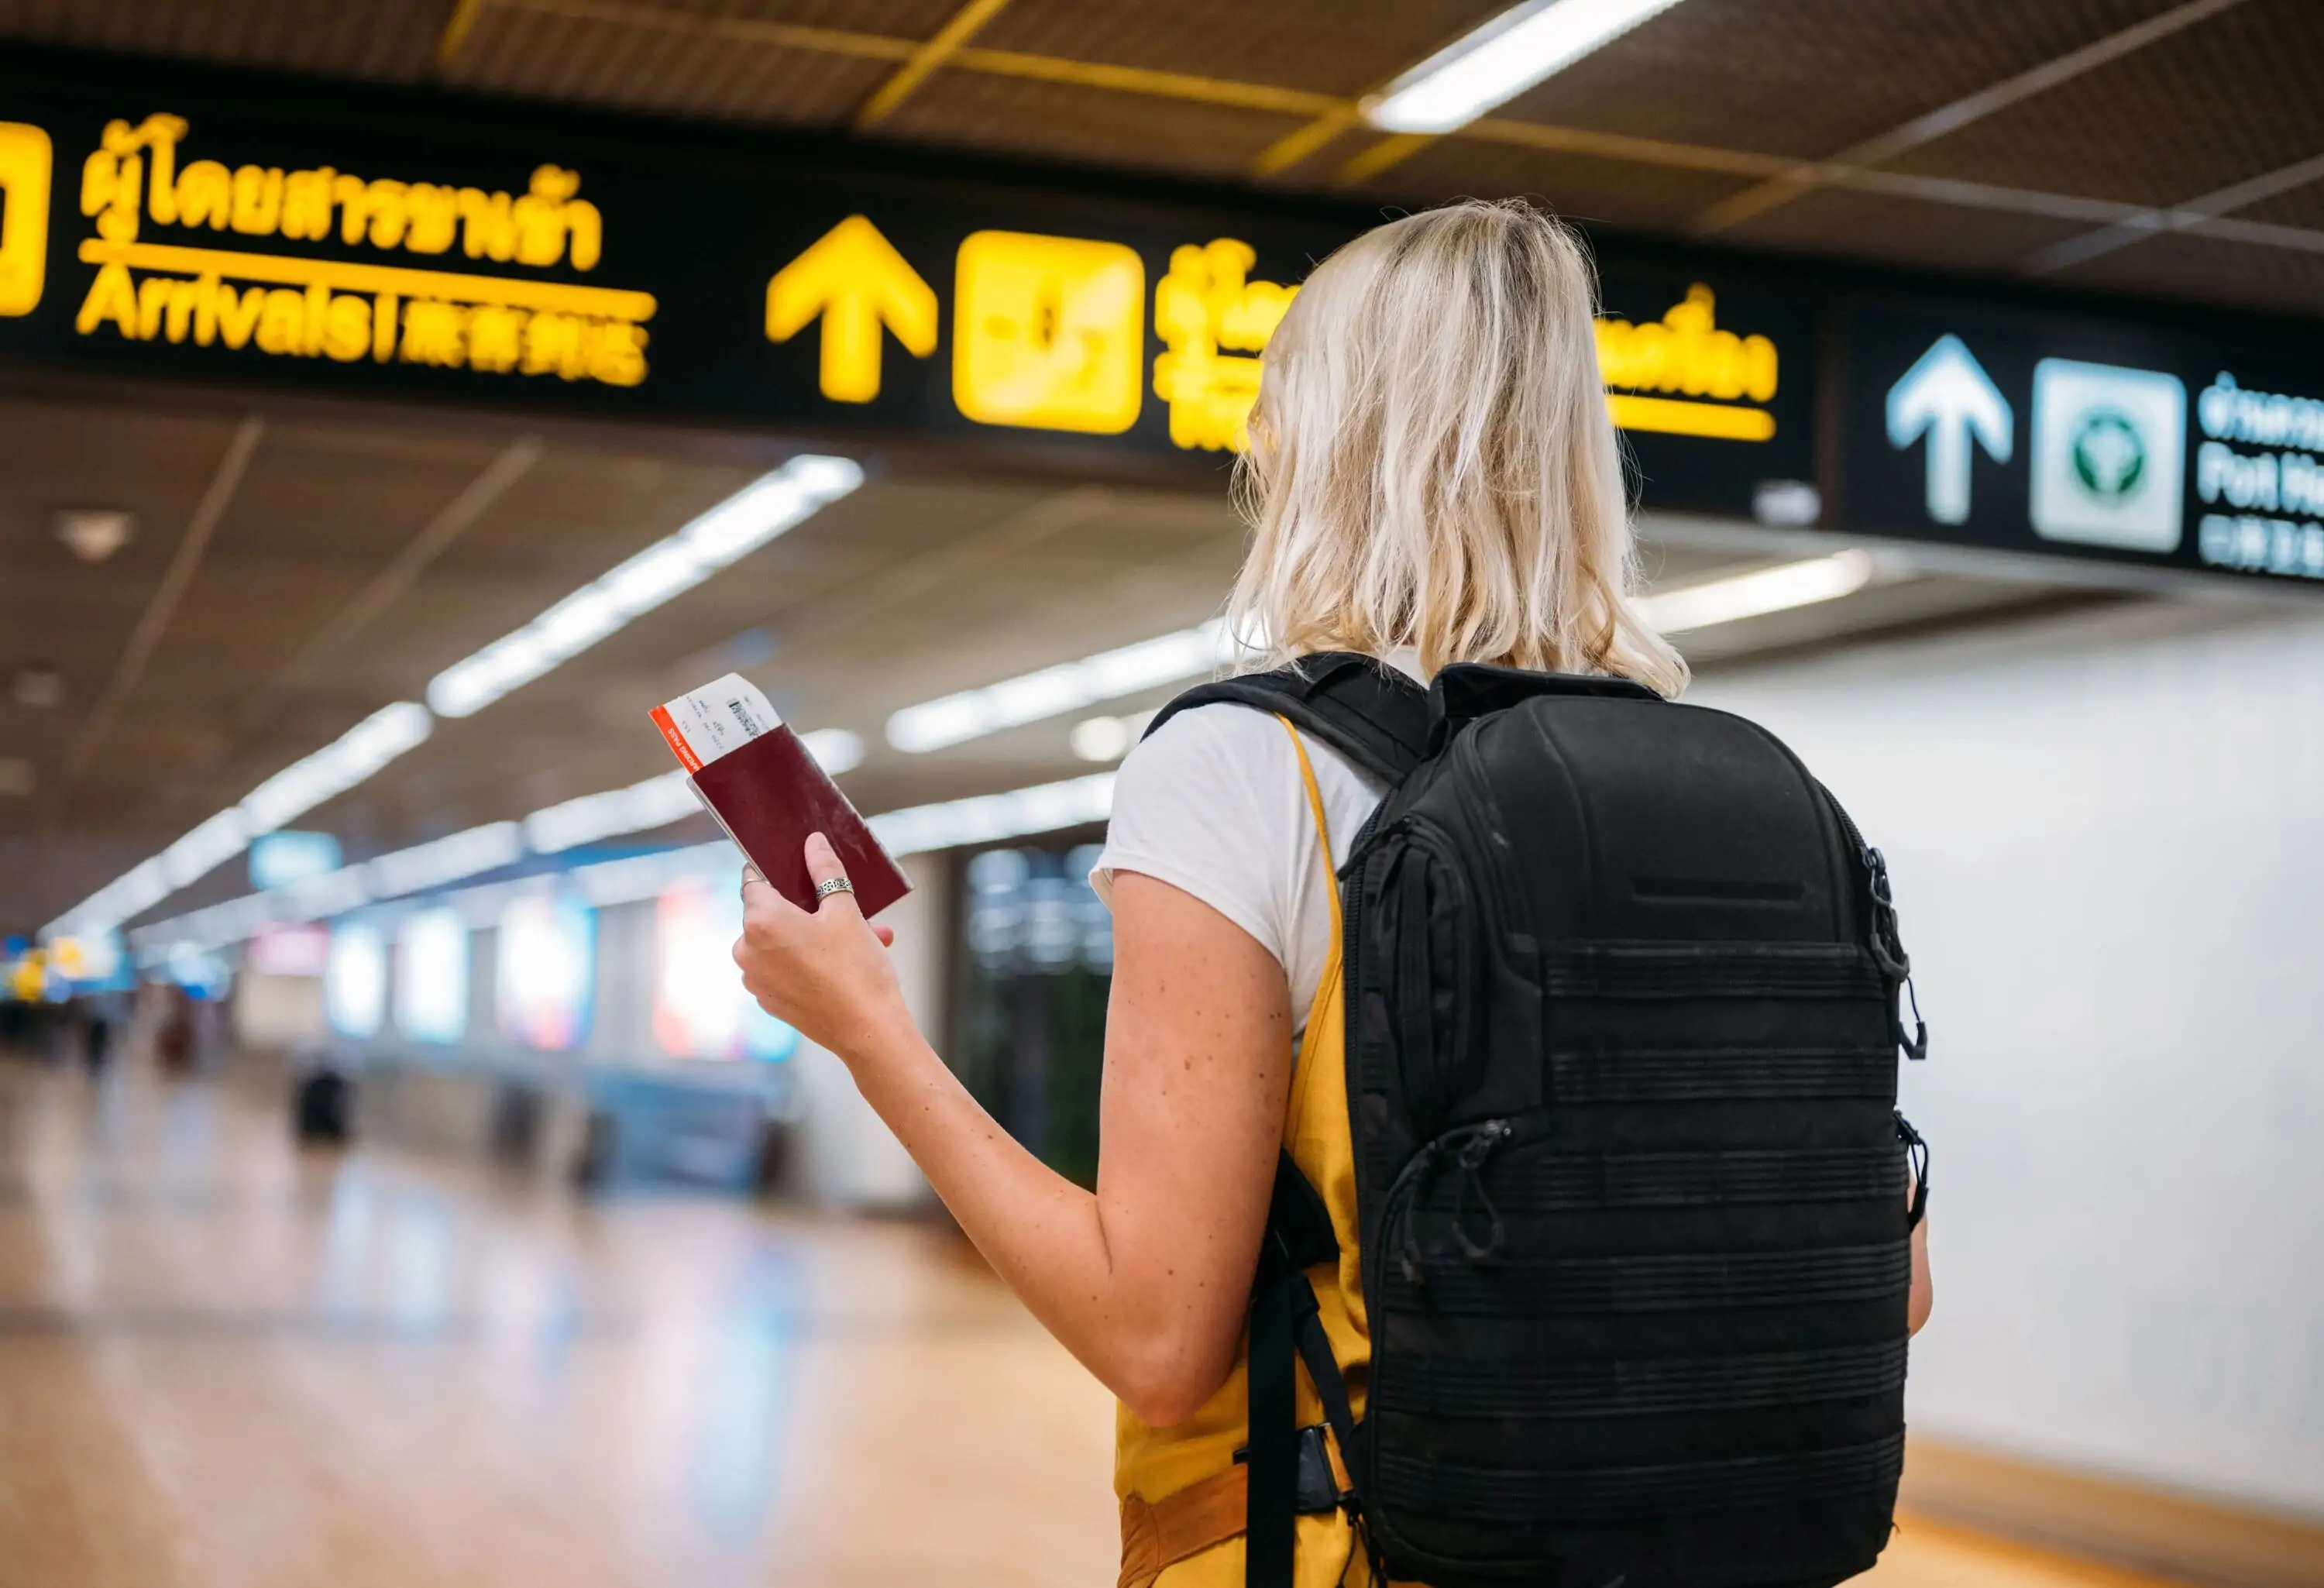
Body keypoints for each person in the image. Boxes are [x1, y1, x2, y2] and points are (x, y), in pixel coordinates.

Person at [734, 199, 1934, 1587]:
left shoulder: (1241, 769)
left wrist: (872, 1033)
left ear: (1326, 442)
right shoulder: (1729, 790)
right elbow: (1889, 1292)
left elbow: (1158, 1338)